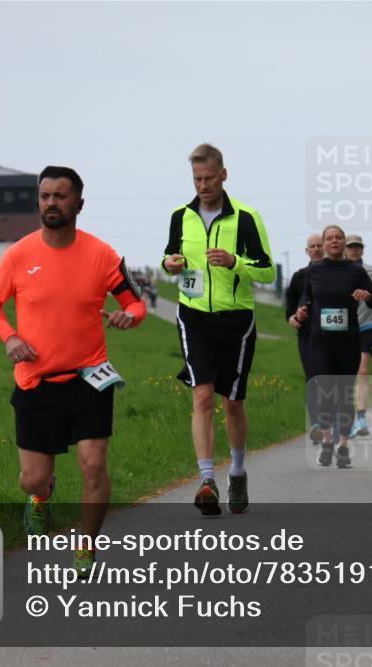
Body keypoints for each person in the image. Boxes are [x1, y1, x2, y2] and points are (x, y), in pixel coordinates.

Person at [0, 165, 147, 575]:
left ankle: (86, 547)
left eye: (60, 195)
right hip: (35, 382)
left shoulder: (102, 254)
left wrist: (130, 316)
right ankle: (41, 496)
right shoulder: (19, 255)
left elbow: (135, 303)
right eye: (45, 196)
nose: (51, 202)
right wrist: (9, 337)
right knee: (32, 478)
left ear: (79, 203)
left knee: (94, 464)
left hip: (90, 378)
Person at [162, 144, 275, 515]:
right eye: (197, 179)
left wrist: (234, 261)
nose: (203, 185)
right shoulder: (180, 216)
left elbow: (267, 271)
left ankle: (237, 472)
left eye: (209, 178)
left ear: (223, 175)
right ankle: (207, 480)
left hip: (236, 319)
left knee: (233, 403)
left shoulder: (246, 218)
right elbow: (168, 256)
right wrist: (170, 264)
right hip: (193, 315)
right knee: (202, 396)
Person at [295, 225, 372, 469]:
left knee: (343, 392)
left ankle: (342, 445)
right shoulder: (314, 270)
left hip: (348, 340)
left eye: (339, 237)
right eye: (330, 238)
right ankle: (326, 440)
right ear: (323, 244)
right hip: (320, 341)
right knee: (323, 391)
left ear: (343, 243)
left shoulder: (355, 270)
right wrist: (302, 311)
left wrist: (367, 295)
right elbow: (306, 298)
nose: (334, 241)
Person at [285, 233, 324, 442]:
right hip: (307, 335)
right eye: (313, 246)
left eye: (319, 245)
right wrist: (293, 317)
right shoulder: (299, 276)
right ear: (307, 251)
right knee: (313, 378)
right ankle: (317, 422)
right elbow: (291, 301)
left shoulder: (337, 273)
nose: (316, 249)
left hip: (333, 336)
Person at [344, 234, 372, 438]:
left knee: (363, 371)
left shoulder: (371, 271)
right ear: (344, 249)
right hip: (344, 329)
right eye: (351, 246)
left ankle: (360, 418)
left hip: (366, 326)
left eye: (357, 246)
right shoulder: (337, 271)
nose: (354, 250)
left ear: (362, 249)